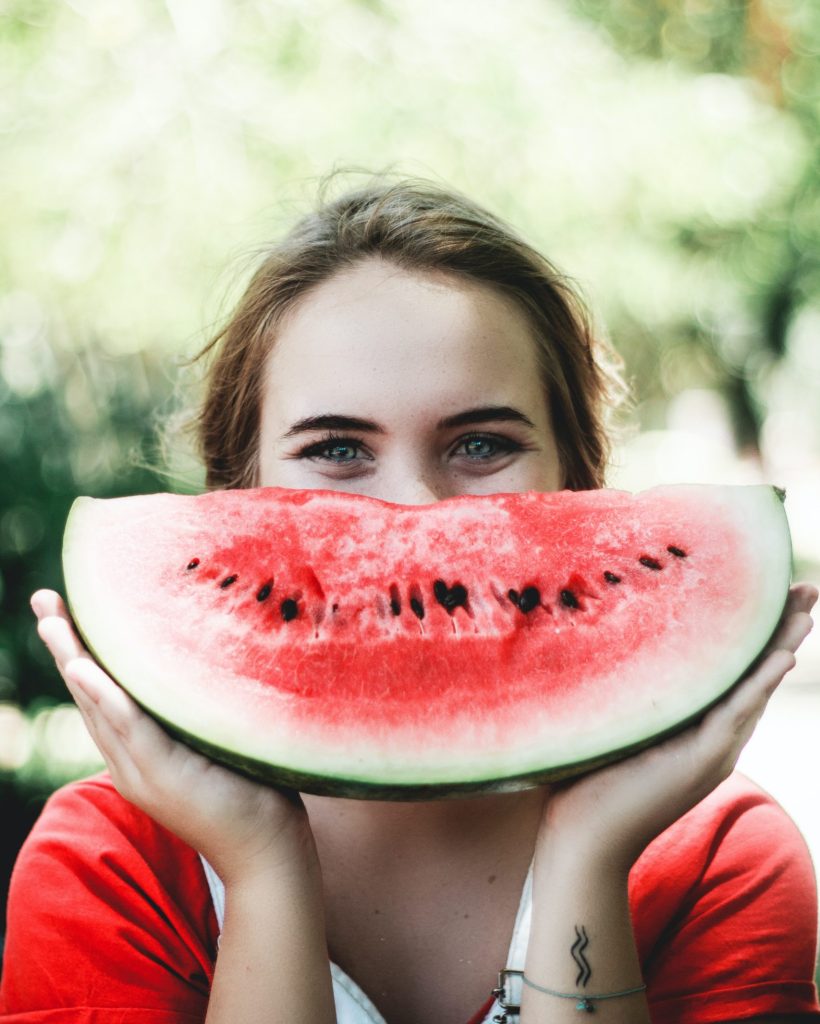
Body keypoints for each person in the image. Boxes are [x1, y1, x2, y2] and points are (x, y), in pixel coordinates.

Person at [2, 176, 818, 1024]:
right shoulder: (110, 864)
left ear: (580, 483)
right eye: (338, 449)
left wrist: (586, 857)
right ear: (232, 496)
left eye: (480, 443)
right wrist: (261, 866)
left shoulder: (719, 860)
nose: (417, 515)